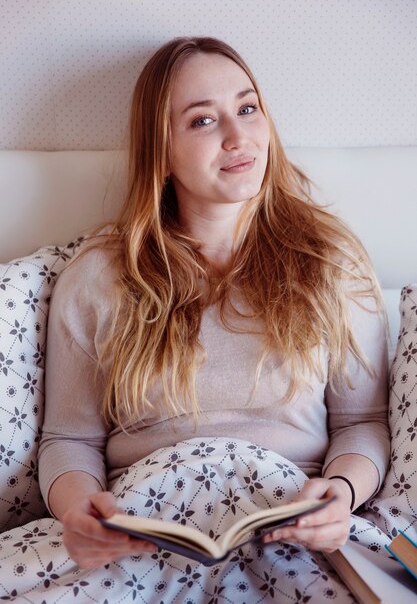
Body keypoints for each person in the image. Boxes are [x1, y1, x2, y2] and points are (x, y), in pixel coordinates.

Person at [37, 36, 390, 572]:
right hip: (146, 540)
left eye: (248, 109)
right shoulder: (99, 277)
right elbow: (69, 438)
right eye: (203, 121)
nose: (237, 135)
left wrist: (340, 491)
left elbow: (363, 421)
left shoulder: (331, 261)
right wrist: (78, 514)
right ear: (161, 152)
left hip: (290, 536)